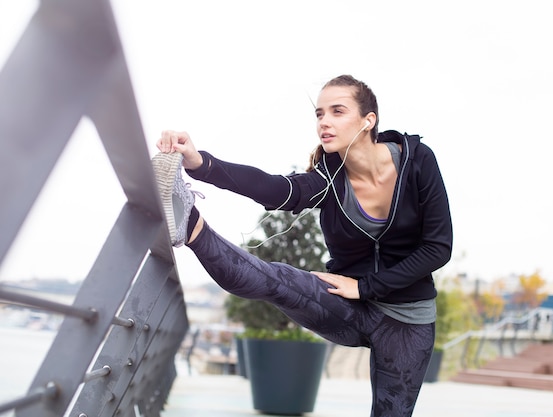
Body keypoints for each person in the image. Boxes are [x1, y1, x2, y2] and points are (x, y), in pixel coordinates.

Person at [151, 74, 453, 417]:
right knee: (275, 281)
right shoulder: (328, 179)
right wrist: (201, 163)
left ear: (368, 120)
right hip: (346, 305)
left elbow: (438, 248)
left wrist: (366, 286)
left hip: (407, 320)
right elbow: (276, 190)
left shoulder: (417, 161)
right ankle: (189, 222)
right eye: (320, 114)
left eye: (337, 111)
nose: (324, 121)